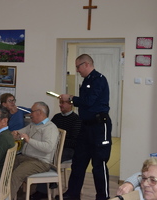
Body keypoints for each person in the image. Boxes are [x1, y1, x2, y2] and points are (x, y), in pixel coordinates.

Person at [57, 54, 112, 200]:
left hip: (100, 127)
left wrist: (71, 98)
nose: (77, 70)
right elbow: (84, 103)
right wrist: (73, 100)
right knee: (78, 162)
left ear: (86, 64)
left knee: (98, 164)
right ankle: (72, 194)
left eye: (78, 67)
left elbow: (89, 101)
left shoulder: (99, 79)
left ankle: (103, 197)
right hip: (85, 126)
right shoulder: (87, 81)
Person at [31, 99, 82, 199]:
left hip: (69, 149)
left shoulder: (76, 119)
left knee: (49, 156)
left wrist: (57, 143)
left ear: (70, 105)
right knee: (42, 153)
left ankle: (45, 188)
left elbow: (74, 141)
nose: (60, 105)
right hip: (55, 147)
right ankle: (47, 185)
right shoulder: (57, 117)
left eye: (63, 103)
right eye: (60, 103)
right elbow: (48, 131)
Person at [11, 101, 59, 199]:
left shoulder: (50, 128)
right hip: (26, 158)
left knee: (16, 174)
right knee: (6, 166)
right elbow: (21, 132)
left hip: (41, 162)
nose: (30, 114)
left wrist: (29, 140)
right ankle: (0, 195)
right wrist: (15, 133)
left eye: (32, 111)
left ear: (39, 112)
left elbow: (48, 147)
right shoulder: (33, 124)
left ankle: (6, 197)